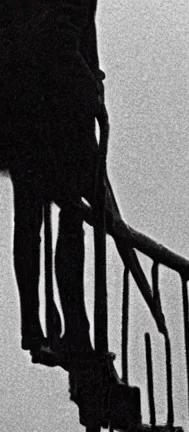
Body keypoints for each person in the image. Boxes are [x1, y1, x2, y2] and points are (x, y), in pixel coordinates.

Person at [1, 0, 105, 364]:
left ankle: (43, 328)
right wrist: (89, 84)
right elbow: (59, 36)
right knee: (69, 214)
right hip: (46, 115)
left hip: (21, 113)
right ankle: (73, 332)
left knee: (32, 219)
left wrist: (92, 77)